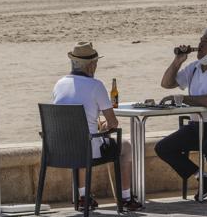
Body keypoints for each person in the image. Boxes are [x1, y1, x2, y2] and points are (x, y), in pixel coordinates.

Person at [52, 42, 141, 211]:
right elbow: (113, 123)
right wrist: (103, 127)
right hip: (86, 148)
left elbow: (67, 120)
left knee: (80, 141)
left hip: (60, 149)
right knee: (126, 147)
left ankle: (83, 197)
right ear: (92, 65)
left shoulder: (59, 83)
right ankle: (126, 198)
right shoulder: (96, 85)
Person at [154, 28, 207, 202]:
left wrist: (181, 97)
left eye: (206, 41)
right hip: (198, 126)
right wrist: (178, 61)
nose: (200, 44)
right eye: (200, 39)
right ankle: (203, 177)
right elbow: (166, 83)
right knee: (163, 147)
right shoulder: (194, 67)